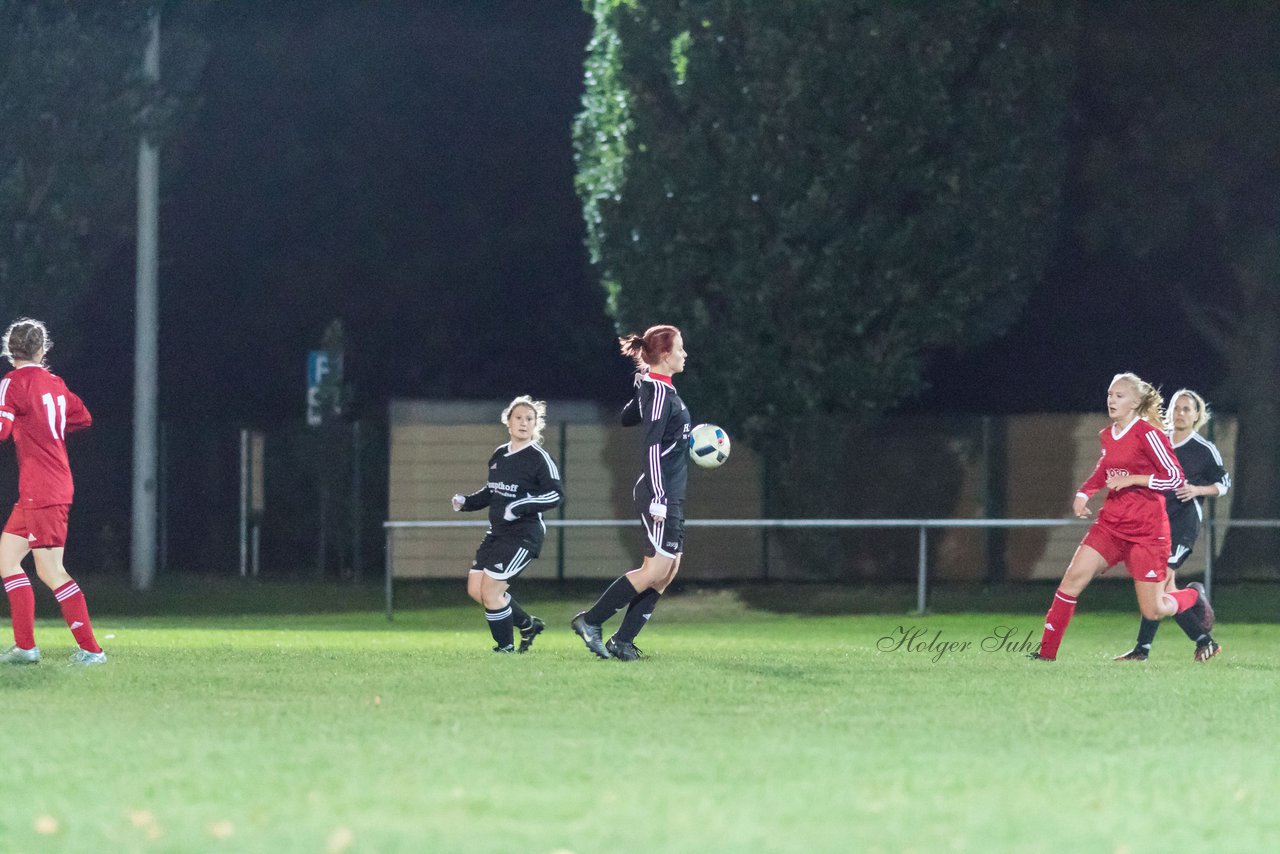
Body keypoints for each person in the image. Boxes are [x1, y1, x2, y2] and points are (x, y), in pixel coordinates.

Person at [1030, 372, 1211, 661]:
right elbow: (1105, 468)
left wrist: (1134, 480)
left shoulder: (1148, 434)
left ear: (1135, 402)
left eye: (1119, 396)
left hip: (1147, 532)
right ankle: (1046, 655)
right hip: (1111, 525)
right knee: (1072, 580)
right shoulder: (1107, 434)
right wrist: (1084, 492)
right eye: (1110, 395)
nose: (1111, 400)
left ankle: (1191, 597)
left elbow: (1175, 478)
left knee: (1153, 609)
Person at [571, 325, 690, 661]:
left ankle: (622, 642)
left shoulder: (659, 389)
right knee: (654, 569)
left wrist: (640, 391)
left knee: (667, 571)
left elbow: (627, 418)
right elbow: (651, 446)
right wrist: (659, 499)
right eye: (680, 348)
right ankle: (590, 621)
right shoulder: (660, 392)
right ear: (665, 355)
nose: (684, 354)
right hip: (660, 493)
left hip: (671, 491)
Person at [0, 318, 106, 665]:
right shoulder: (55, 383)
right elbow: (83, 418)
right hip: (45, 486)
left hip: (41, 489)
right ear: (42, 349)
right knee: (7, 559)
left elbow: (2, 429)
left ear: (9, 349)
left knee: (50, 570)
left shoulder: (12, 382)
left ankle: (92, 650)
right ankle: (25, 648)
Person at [1115, 388, 1228, 662]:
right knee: (1164, 591)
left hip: (1183, 527)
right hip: (1154, 525)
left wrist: (1197, 490)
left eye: (1187, 409)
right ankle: (1204, 640)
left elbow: (1223, 484)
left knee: (1156, 585)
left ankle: (1143, 650)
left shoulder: (1204, 449)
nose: (1180, 413)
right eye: (1176, 407)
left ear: (1197, 415)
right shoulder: (1157, 441)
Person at [452, 395, 562, 653]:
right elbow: (493, 492)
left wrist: (519, 506)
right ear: (508, 422)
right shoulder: (500, 455)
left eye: (529, 419)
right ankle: (527, 624)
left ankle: (505, 649)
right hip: (498, 533)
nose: (524, 423)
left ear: (536, 425)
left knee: (491, 592)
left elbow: (556, 494)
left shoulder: (538, 458)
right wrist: (466, 502)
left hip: (524, 534)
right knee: (476, 590)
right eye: (518, 418)